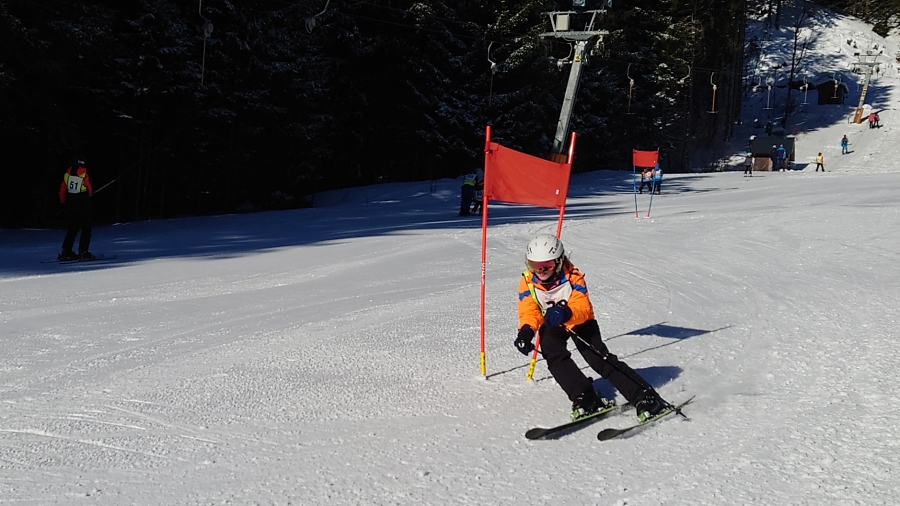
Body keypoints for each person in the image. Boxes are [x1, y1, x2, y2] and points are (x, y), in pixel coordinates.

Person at [513, 234, 667, 422]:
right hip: (553, 322)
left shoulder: (573, 277)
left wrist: (566, 312)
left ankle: (644, 395)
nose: (541, 270)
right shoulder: (528, 281)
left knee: (598, 358)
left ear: (560, 261)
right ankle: (584, 396)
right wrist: (526, 331)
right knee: (553, 353)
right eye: (534, 265)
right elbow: (528, 309)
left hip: (579, 320)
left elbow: (582, 308)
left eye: (547, 265)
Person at [58, 159, 94, 260]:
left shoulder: (67, 174)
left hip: (71, 203)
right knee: (86, 228)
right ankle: (83, 251)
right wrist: (89, 195)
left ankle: (66, 250)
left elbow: (62, 190)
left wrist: (63, 203)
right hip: (83, 202)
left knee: (73, 227)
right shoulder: (84, 174)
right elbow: (89, 188)